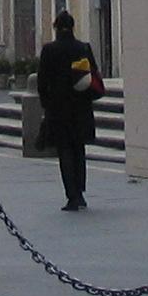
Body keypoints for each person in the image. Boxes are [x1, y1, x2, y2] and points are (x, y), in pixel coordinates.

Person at [36, 11, 103, 210]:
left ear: (56, 27)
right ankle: (80, 192)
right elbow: (93, 75)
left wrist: (47, 105)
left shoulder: (49, 50)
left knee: (64, 151)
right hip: (81, 108)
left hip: (58, 109)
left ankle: (71, 194)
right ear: (73, 27)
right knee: (79, 150)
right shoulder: (83, 48)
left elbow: (42, 82)